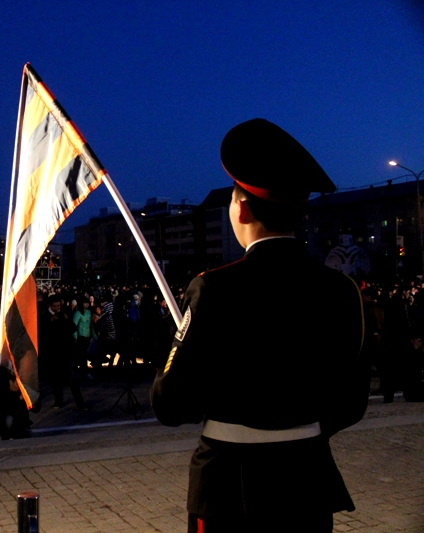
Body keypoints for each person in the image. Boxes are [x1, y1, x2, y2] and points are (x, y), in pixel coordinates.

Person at [151, 118, 368, 532]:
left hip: (229, 481)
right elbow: (352, 399)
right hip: (306, 478)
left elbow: (170, 402)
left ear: (242, 207)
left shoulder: (214, 288)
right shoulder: (340, 289)